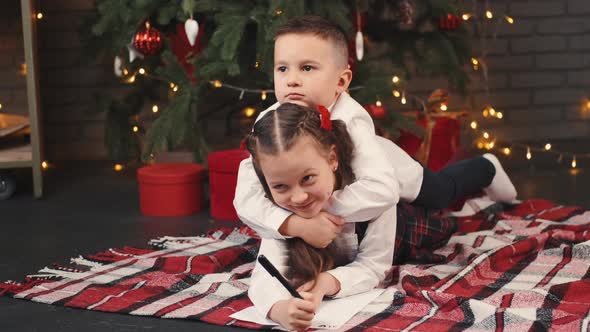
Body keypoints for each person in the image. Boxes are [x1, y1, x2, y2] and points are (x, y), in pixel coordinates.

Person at [234, 15, 516, 249]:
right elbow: (245, 195)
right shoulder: (270, 123)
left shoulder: (351, 121)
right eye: (282, 68)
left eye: (307, 68)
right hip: (321, 189)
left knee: (443, 192)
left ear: (341, 81)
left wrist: (319, 210)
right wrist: (293, 223)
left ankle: (486, 166)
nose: (292, 79)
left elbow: (383, 190)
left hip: (398, 173)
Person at [245, 103, 456, 331]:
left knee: (448, 207)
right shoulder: (281, 216)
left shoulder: (372, 197)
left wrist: (327, 282)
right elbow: (263, 277)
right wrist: (280, 309)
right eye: (280, 186)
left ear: (332, 159)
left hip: (407, 225)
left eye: (307, 178)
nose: (298, 198)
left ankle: (485, 168)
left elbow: (374, 265)